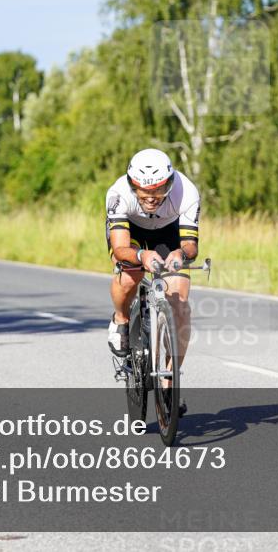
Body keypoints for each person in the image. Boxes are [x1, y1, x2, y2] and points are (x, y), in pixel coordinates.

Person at [105, 148, 200, 414]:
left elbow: (190, 245)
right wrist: (140, 256)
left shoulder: (187, 192)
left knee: (180, 303)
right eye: (143, 191)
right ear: (131, 184)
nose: (151, 198)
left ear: (169, 183)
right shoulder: (118, 194)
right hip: (131, 234)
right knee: (130, 275)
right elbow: (121, 247)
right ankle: (121, 320)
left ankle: (170, 378)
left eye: (159, 191)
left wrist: (180, 254)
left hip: (168, 234)